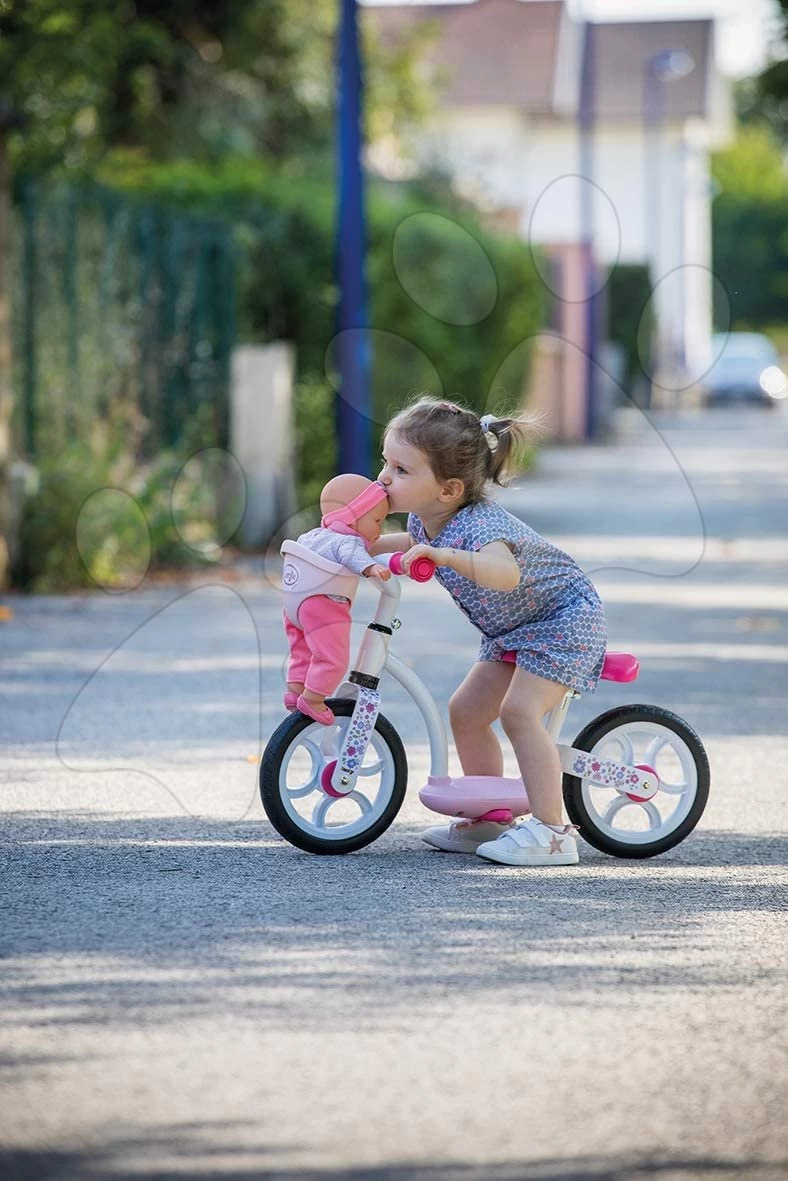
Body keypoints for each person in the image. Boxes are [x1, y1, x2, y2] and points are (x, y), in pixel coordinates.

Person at [370, 395, 608, 867]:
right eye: (385, 463)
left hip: (561, 622)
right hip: (514, 629)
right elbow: (407, 542)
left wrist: (445, 558)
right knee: (466, 710)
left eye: (401, 469)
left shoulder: (482, 527)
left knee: (519, 712)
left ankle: (554, 833)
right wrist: (347, 544)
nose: (383, 478)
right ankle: (491, 819)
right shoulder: (427, 518)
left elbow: (505, 575)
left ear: (448, 489)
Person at [283, 474, 391, 725]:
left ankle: (296, 690)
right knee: (333, 657)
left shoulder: (313, 535)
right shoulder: (348, 541)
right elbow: (353, 555)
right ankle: (313, 699)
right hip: (325, 603)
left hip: (294, 603)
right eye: (377, 520)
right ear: (353, 517)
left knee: (302, 649)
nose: (380, 530)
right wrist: (371, 569)